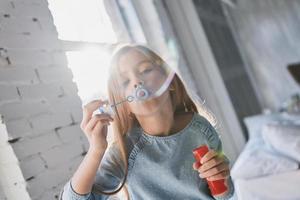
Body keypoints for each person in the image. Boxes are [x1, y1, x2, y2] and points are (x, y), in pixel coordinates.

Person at [60, 44, 235, 200]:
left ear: (169, 81)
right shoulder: (124, 152)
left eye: (145, 70)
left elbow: (224, 195)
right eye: (126, 81)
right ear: (124, 105)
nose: (137, 82)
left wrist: (222, 177)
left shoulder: (200, 128)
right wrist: (96, 150)